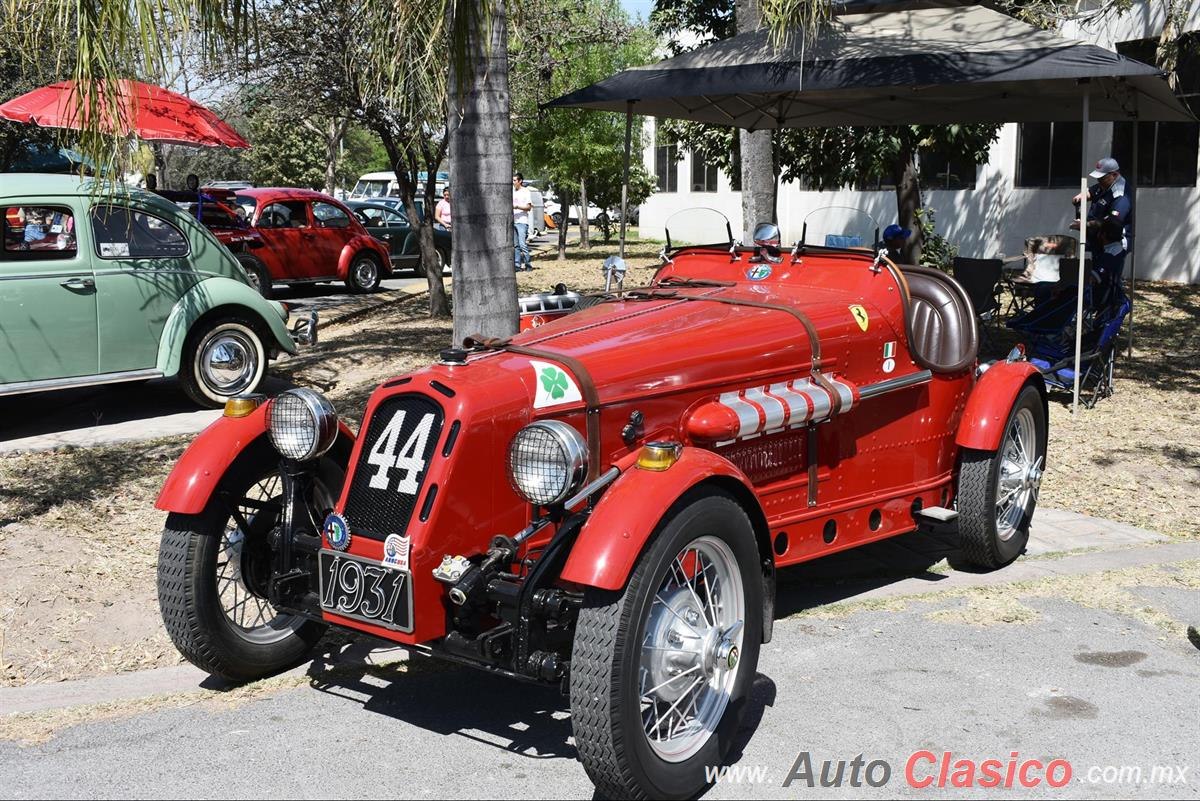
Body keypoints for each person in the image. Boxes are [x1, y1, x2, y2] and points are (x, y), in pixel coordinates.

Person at [1070, 156, 1132, 307]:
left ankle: (1109, 317)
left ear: (1114, 175)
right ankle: (1099, 311)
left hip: (1115, 243)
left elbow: (1111, 223)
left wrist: (1085, 225)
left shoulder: (1121, 196)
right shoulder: (1105, 184)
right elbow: (1093, 191)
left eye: (1102, 178)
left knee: (1107, 281)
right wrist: (1082, 196)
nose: (1099, 181)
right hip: (1100, 240)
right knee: (1098, 280)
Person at [513, 172, 533, 272]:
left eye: (515, 180)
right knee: (516, 245)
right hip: (514, 221)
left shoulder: (526, 192)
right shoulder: (512, 192)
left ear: (520, 181)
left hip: (522, 221)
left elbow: (529, 207)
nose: (513, 183)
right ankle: (517, 265)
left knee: (522, 244)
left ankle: (528, 264)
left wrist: (517, 207)